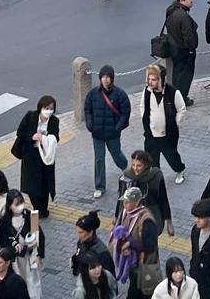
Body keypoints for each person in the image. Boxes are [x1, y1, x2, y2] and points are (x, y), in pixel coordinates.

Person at [85, 64, 131, 199]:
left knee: (117, 155)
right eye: (103, 77)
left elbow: (125, 113)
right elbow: (88, 109)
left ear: (112, 78)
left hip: (112, 133)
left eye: (108, 77)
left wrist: (117, 127)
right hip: (98, 133)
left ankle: (127, 170)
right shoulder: (93, 94)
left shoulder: (119, 94)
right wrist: (90, 124)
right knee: (99, 159)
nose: (105, 80)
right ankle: (99, 186)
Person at [13, 96, 60, 217]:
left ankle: (42, 210)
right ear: (40, 108)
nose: (48, 111)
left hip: (45, 157)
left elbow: (56, 138)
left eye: (51, 108)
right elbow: (20, 132)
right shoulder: (31, 116)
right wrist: (32, 137)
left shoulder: (54, 121)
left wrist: (45, 138)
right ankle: (37, 209)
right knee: (32, 186)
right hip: (30, 156)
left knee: (44, 185)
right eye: (46, 108)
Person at [141, 64, 187, 181]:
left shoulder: (173, 92)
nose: (150, 82)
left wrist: (174, 123)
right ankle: (157, 179)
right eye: (149, 79)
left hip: (168, 135)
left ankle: (179, 170)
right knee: (152, 161)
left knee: (172, 158)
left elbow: (181, 109)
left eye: (154, 79)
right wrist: (147, 123)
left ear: (160, 79)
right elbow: (143, 107)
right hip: (151, 134)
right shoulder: (146, 92)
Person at [113, 186, 161, 299]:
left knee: (146, 293)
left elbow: (150, 247)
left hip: (146, 265)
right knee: (134, 288)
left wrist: (130, 244)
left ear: (138, 202)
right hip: (133, 264)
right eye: (124, 201)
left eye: (128, 202)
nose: (124, 204)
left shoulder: (147, 220)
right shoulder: (128, 212)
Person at [166, 0, 199, 103]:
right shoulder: (183, 16)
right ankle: (182, 99)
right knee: (185, 77)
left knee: (176, 75)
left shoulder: (171, 11)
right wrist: (191, 49)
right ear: (181, 0)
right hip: (184, 51)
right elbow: (188, 36)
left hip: (174, 48)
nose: (191, 1)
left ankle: (175, 97)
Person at [73, 210, 116, 281]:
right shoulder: (81, 242)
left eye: (81, 232)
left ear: (90, 232)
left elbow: (110, 279)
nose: (78, 235)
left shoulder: (102, 253)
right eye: (77, 232)